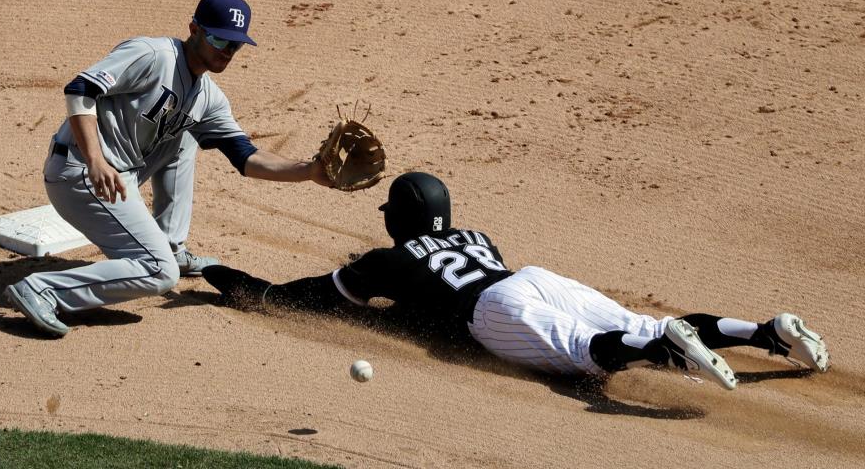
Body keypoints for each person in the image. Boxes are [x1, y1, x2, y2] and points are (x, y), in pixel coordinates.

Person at [202, 172, 830, 390]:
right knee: (636, 321)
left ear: (398, 218)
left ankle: (664, 350)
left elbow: (301, 297)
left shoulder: (391, 261)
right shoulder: (478, 237)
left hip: (495, 309)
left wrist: (220, 274)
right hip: (533, 277)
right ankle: (764, 332)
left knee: (588, 356)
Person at [4, 0, 332, 337]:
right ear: (194, 29)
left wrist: (308, 171)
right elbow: (80, 89)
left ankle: (171, 247)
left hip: (122, 177)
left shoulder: (208, 97)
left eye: (235, 45)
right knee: (159, 272)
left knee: (186, 132)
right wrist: (95, 159)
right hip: (82, 173)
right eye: (219, 39)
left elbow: (246, 157)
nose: (226, 51)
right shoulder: (153, 55)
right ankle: (44, 289)